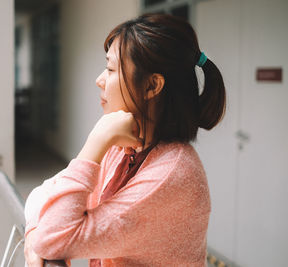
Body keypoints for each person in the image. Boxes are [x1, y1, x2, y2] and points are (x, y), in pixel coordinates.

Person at [23, 13, 226, 267]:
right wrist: (33, 233)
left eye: (110, 69)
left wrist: (95, 142)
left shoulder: (172, 173)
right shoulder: (127, 148)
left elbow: (55, 239)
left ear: (152, 86)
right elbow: (41, 193)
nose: (99, 80)